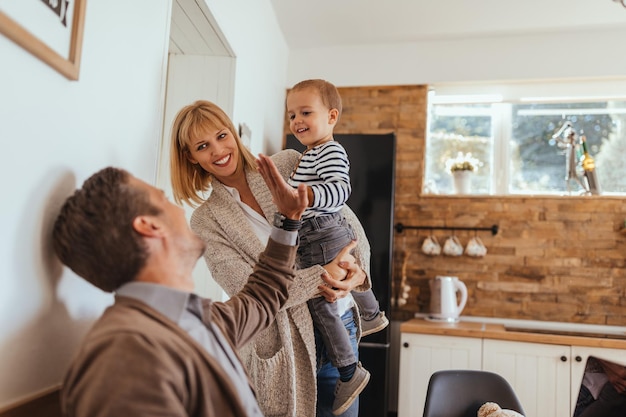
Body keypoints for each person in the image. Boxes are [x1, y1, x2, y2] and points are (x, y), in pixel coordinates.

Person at [52, 165, 317, 416]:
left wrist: (288, 219)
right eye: (164, 198)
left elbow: (263, 297)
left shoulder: (198, 319)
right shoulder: (125, 354)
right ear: (150, 225)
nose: (178, 209)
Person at [169, 100, 373, 417]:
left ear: (233, 133)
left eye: (222, 136)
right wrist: (322, 276)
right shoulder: (206, 221)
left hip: (338, 326)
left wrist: (358, 273)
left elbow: (347, 222)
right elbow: (250, 293)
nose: (218, 150)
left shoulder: (289, 163)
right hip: (285, 346)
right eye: (202, 146)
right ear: (190, 157)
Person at [285, 79, 389, 415]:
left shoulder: (329, 150)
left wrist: (306, 196)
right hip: (320, 231)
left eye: (305, 112)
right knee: (342, 273)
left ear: (331, 116)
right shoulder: (310, 153)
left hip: (321, 231)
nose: (296, 120)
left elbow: (339, 191)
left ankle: (349, 371)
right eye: (291, 115)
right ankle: (372, 315)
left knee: (322, 301)